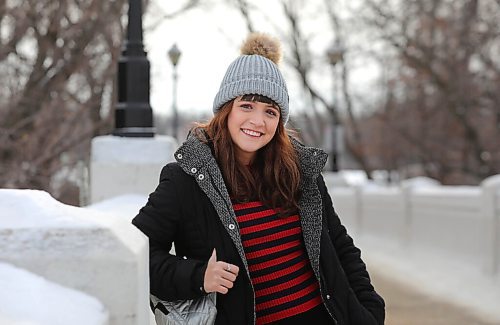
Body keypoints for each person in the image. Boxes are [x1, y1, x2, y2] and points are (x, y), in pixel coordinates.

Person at [132, 32, 385, 325]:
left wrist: (369, 310)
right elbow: (136, 253)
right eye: (246, 106)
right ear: (226, 109)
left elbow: (340, 247)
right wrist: (199, 276)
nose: (258, 121)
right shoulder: (186, 180)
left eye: (270, 111)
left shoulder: (299, 172)